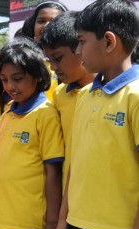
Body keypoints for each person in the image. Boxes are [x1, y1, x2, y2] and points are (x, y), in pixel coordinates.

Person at [52, 1, 139, 229]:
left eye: (81, 41)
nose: (78, 50)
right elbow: (75, 163)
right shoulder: (85, 95)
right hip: (77, 227)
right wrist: (63, 219)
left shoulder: (135, 96)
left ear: (109, 42)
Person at [0, 37, 64, 229]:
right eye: (4, 79)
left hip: (27, 226)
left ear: (37, 76)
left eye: (17, 79)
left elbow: (53, 173)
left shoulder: (45, 114)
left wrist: (52, 225)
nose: (10, 86)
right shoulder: (9, 110)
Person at [40, 11, 96, 190]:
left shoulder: (117, 93)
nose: (54, 67)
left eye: (58, 58)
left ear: (81, 47)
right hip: (69, 196)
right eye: (49, 60)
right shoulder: (59, 95)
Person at [21, 0, 68, 101]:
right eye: (41, 21)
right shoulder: (23, 59)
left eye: (54, 21)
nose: (46, 25)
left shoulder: (75, 59)